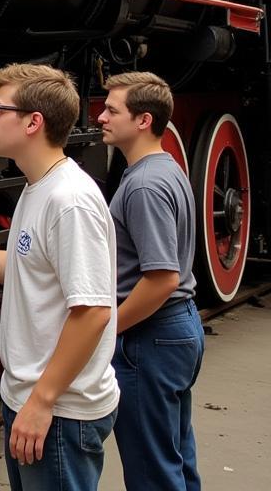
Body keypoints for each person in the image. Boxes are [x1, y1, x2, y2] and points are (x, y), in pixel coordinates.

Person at [0, 63, 119, 491]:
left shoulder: (68, 200)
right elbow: (30, 268)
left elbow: (93, 311)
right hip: (33, 400)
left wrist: (41, 403)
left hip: (59, 412)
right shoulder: (38, 186)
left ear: (33, 122)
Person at [98, 71, 202, 491]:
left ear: (143, 120)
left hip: (150, 337)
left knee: (152, 473)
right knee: (176, 460)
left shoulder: (143, 184)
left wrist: (106, 330)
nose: (101, 117)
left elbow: (161, 279)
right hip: (173, 331)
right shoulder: (165, 169)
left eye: (111, 109)